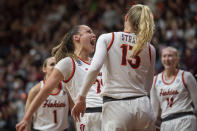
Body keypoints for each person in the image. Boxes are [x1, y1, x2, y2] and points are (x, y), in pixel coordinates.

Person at [72, 4, 156, 131]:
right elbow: (149, 84)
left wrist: (81, 97)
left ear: (127, 17)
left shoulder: (108, 38)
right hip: (143, 106)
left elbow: (94, 68)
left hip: (117, 106)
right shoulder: (150, 48)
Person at [16, 25, 103, 131]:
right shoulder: (68, 62)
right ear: (76, 37)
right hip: (90, 114)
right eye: (89, 32)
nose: (94, 35)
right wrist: (26, 118)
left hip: (109, 111)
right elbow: (45, 90)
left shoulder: (98, 62)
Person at [150, 46, 197, 131]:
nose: (167, 59)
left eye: (170, 55)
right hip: (166, 122)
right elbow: (154, 110)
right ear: (161, 59)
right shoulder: (155, 80)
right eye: (164, 56)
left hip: (186, 119)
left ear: (177, 58)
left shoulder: (186, 76)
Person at [25, 56, 74, 131]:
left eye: (58, 65)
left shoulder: (67, 88)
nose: (56, 67)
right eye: (52, 64)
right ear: (44, 69)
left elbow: (75, 112)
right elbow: (27, 119)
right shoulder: (35, 90)